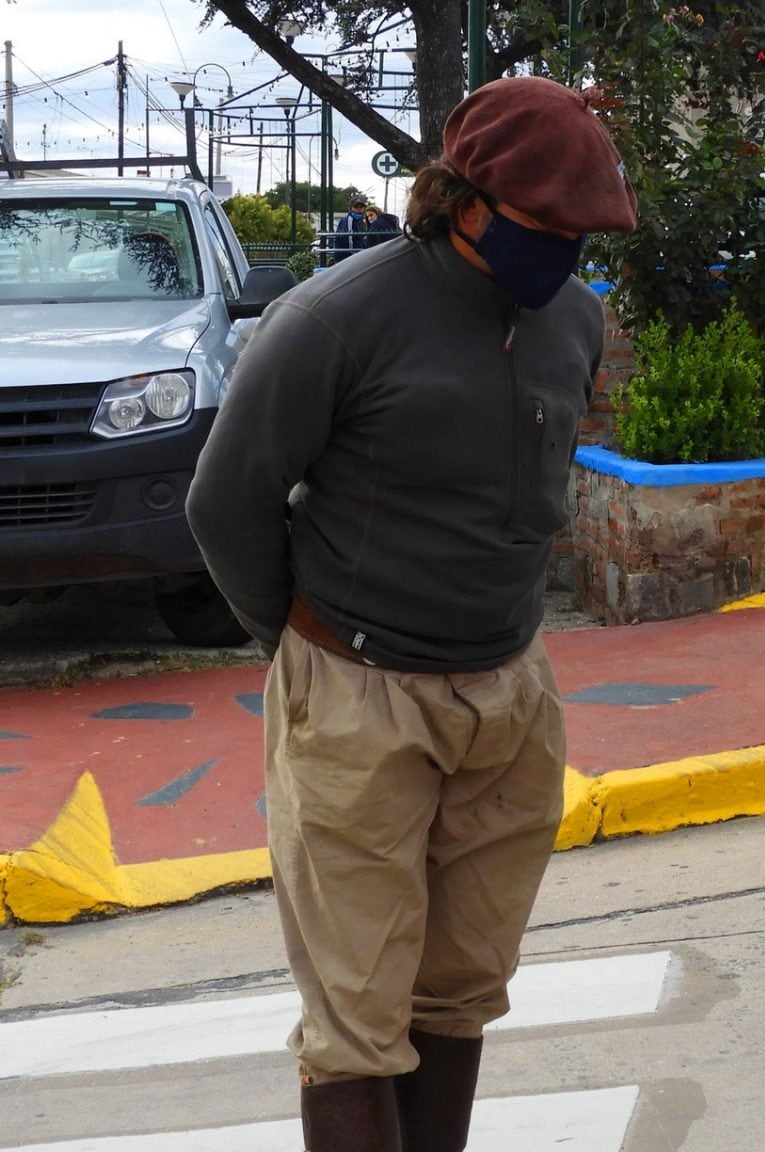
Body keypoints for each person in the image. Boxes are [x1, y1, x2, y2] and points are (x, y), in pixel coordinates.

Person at [186, 76, 637, 1151]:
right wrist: (300, 648)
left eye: (585, 229)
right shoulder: (336, 318)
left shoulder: (573, 317)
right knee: (356, 1018)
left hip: (509, 694)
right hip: (354, 693)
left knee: (462, 988)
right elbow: (225, 501)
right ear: (465, 198)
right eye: (548, 225)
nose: (567, 248)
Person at [333, 196, 370, 261]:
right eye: (356, 207)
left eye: (361, 207)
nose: (359, 209)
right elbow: (349, 238)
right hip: (347, 257)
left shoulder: (362, 220)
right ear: (351, 208)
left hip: (357, 254)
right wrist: (354, 255)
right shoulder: (348, 220)